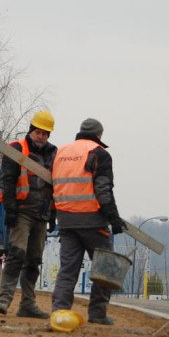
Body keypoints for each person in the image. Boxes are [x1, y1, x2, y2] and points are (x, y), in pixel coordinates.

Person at [50, 118, 125, 325]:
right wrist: (114, 219)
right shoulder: (99, 153)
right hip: (93, 222)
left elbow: (52, 186)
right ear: (99, 135)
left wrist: (51, 216)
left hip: (65, 221)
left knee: (67, 270)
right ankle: (97, 314)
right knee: (105, 269)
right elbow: (103, 190)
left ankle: (59, 312)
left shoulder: (61, 153)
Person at [0, 110, 58, 318]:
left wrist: (53, 214)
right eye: (39, 132)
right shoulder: (16, 149)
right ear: (32, 130)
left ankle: (27, 304)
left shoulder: (53, 154)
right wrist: (10, 210)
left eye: (46, 134)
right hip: (22, 212)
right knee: (17, 254)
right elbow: (8, 181)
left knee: (34, 260)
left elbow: (55, 185)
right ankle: (4, 299)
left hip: (42, 214)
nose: (42, 137)